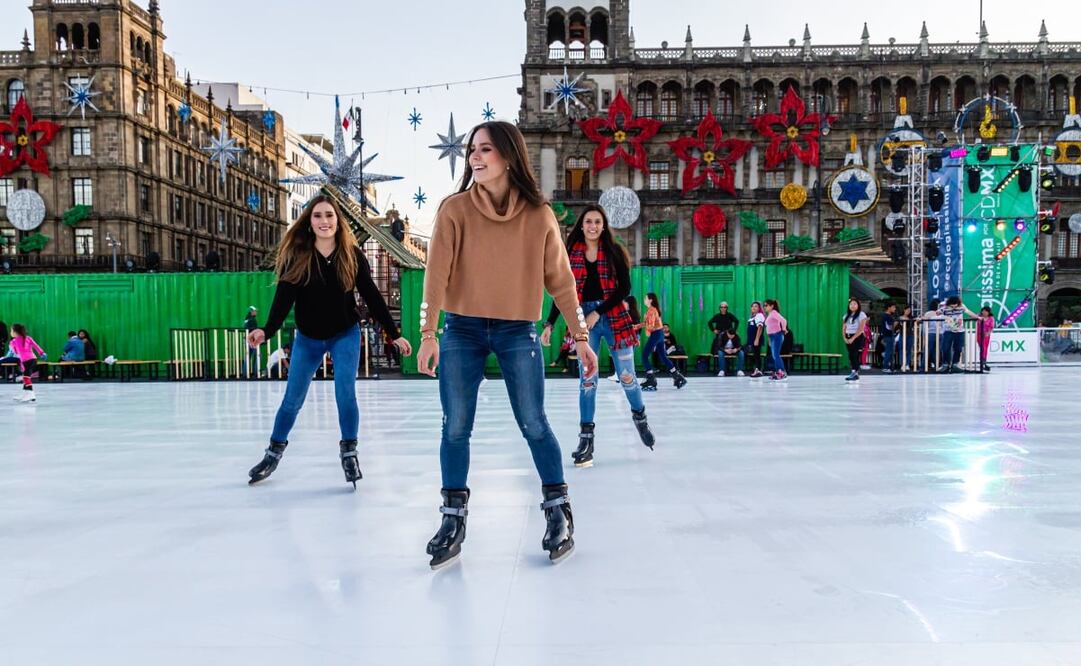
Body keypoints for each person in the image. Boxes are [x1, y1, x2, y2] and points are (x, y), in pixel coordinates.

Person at [416, 121, 598, 569]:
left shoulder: (539, 216)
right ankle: (453, 518)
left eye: (485, 150)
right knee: (455, 425)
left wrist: (580, 338)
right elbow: (435, 276)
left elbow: (561, 280)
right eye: (472, 150)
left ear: (509, 156)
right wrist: (427, 333)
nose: (475, 157)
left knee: (534, 422)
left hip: (519, 330)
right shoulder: (454, 210)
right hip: (462, 329)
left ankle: (559, 512)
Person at [245, 195, 412, 489]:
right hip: (308, 339)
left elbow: (372, 297)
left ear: (338, 221)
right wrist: (267, 331)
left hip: (344, 334)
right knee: (292, 400)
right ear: (310, 223)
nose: (324, 221)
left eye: (329, 216)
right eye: (318, 216)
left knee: (345, 393)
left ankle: (349, 451)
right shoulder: (297, 257)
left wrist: (394, 333)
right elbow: (283, 299)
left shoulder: (352, 255)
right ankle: (273, 453)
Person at [542, 204, 655, 469]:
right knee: (588, 381)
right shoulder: (571, 255)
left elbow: (625, 287)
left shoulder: (614, 252)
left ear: (603, 226)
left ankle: (640, 417)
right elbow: (563, 291)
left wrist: (598, 312)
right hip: (584, 320)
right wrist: (550, 322)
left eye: (597, 222)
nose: (592, 226)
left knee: (628, 378)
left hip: (614, 316)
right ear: (581, 225)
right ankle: (586, 440)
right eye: (588, 222)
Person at [639, 292, 687, 391]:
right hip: (659, 333)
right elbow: (648, 323)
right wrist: (635, 327)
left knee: (644, 356)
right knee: (663, 356)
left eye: (645, 298)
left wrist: (646, 330)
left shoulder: (651, 311)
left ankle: (651, 378)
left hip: (656, 334)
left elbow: (650, 326)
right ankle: (677, 376)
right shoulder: (653, 310)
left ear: (650, 300)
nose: (644, 300)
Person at [926, 296, 976, 373]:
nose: (954, 307)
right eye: (952, 306)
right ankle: (945, 364)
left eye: (955, 305)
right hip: (948, 330)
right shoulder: (944, 307)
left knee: (958, 348)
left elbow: (969, 312)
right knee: (945, 348)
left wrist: (978, 317)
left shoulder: (962, 306)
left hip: (960, 331)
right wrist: (926, 316)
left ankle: (955, 364)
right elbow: (936, 313)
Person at [10, 323, 46, 403]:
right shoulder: (15, 341)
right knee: (26, 377)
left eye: (11, 330)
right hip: (27, 361)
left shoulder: (25, 339)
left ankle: (31, 394)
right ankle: (25, 393)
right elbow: (17, 353)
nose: (10, 332)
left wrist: (42, 353)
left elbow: (35, 346)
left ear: (15, 332)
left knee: (26, 377)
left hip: (31, 360)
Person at [842, 298, 869, 381]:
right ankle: (854, 372)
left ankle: (854, 372)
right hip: (848, 336)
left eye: (854, 304)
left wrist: (853, 338)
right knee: (851, 355)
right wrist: (845, 337)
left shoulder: (861, 314)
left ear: (858, 305)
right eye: (851, 304)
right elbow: (844, 327)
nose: (852, 306)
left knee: (854, 354)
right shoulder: (846, 315)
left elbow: (861, 329)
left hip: (857, 337)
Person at [763, 299, 788, 381]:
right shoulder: (770, 314)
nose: (764, 307)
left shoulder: (774, 313)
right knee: (774, 355)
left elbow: (783, 320)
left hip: (777, 335)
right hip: (772, 337)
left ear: (772, 306)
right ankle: (779, 372)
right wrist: (770, 339)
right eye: (764, 305)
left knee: (776, 355)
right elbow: (769, 328)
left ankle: (781, 372)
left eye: (766, 305)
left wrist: (783, 329)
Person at [745, 301, 766, 378]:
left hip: (756, 339)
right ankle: (756, 370)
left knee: (757, 355)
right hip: (752, 339)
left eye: (756, 306)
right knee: (755, 355)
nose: (753, 307)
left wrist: (757, 339)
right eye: (752, 306)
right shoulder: (752, 317)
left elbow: (760, 327)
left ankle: (758, 370)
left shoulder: (759, 315)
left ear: (759, 308)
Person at [880, 303, 898, 373]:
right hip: (888, 335)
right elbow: (890, 327)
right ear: (888, 307)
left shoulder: (888, 316)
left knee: (890, 351)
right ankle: (885, 367)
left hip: (889, 335)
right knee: (889, 351)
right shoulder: (886, 316)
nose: (895, 309)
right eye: (893, 307)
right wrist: (896, 322)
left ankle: (890, 367)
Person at [976, 306, 994, 372]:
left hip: (986, 335)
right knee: (982, 348)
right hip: (979, 335)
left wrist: (988, 333)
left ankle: (984, 361)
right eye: (983, 311)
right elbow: (972, 318)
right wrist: (977, 315)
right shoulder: (979, 317)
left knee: (985, 348)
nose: (984, 312)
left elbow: (991, 327)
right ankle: (982, 362)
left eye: (986, 311)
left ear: (988, 312)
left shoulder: (991, 318)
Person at [243, 306, 259, 378]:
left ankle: (245, 374)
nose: (256, 312)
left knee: (247, 356)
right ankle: (256, 373)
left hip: (247, 340)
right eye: (255, 311)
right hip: (252, 340)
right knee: (258, 356)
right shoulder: (252, 320)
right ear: (251, 311)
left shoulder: (246, 319)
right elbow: (254, 331)